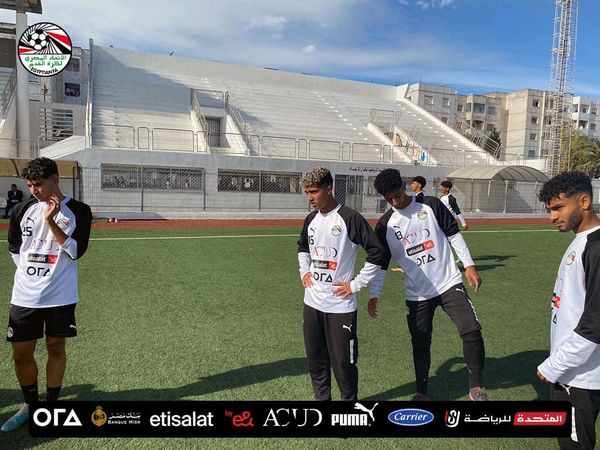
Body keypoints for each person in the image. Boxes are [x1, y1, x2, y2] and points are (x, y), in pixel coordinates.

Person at [368, 168, 487, 401]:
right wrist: (374, 293)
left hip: (448, 283)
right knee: (420, 343)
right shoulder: (384, 225)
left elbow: (453, 234)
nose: (395, 201)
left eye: (397, 195)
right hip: (417, 294)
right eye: (389, 199)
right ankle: (421, 392)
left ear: (404, 186)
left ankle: (475, 387)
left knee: (471, 330)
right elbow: (381, 264)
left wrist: (469, 265)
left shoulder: (430, 205)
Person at [2, 157, 93, 432]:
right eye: (30, 185)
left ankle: (51, 407)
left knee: (55, 347)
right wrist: (33, 276)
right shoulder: (21, 209)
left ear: (55, 179)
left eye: (38, 184)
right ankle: (30, 405)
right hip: (25, 295)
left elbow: (75, 252)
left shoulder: (79, 211)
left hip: (60, 295)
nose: (34, 190)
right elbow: (15, 249)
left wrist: (51, 221)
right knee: (20, 354)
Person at [298, 167, 385, 401]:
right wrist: (304, 271)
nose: (310, 197)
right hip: (312, 302)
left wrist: (355, 285)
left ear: (329, 189)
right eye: (307, 192)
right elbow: (303, 247)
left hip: (340, 306)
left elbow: (377, 252)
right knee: (316, 359)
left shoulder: (349, 217)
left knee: (343, 363)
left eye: (314, 192)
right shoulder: (311, 219)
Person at [536, 171, 600, 450]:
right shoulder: (583, 241)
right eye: (549, 210)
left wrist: (555, 365)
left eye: (559, 208)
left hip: (579, 377)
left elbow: (595, 323)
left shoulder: (596, 247)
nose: (552, 217)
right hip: (575, 372)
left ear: (584, 201)